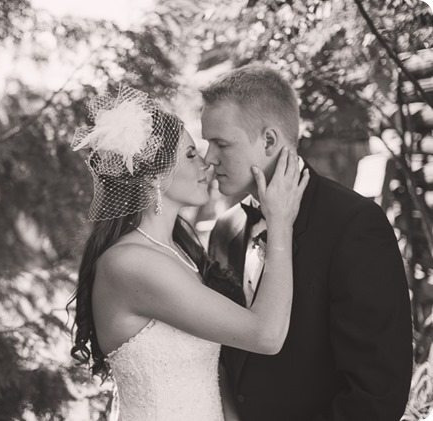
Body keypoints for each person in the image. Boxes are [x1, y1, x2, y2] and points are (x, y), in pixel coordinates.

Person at [68, 86, 309, 421]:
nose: (207, 164)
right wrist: (280, 221)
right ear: (154, 176)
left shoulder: (178, 253)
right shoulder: (131, 263)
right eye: (191, 155)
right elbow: (265, 335)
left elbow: (211, 374)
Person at [202, 64, 413, 421]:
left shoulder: (354, 224)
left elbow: (377, 395)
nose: (209, 158)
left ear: (269, 140)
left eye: (221, 143)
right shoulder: (225, 229)